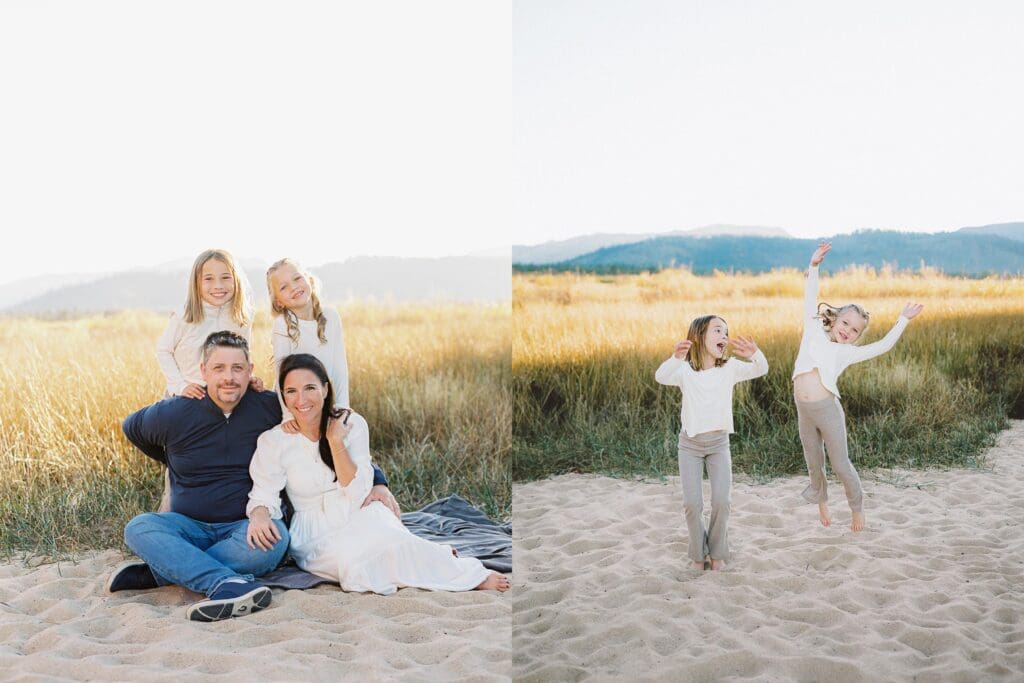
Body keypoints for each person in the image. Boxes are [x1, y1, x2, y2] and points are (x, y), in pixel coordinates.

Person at [108, 331, 399, 621]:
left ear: (250, 371)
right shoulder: (175, 412)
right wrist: (171, 459)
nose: (229, 378)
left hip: (246, 528)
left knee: (274, 542)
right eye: (219, 368)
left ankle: (168, 568)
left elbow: (321, 433)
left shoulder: (269, 406)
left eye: (237, 368)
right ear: (203, 372)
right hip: (188, 526)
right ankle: (223, 582)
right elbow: (130, 428)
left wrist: (377, 480)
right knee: (139, 527)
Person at [246, 353, 510, 594]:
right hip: (313, 531)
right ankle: (433, 557)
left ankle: (465, 574)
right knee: (353, 562)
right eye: (291, 391)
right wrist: (259, 514)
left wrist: (335, 441)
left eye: (310, 388)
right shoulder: (274, 441)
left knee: (390, 539)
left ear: (325, 389)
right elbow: (264, 492)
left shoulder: (351, 423)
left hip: (357, 509)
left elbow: (357, 490)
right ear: (283, 396)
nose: (301, 400)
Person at [793, 241, 924, 532]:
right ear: (835, 318)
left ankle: (857, 507)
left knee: (840, 464)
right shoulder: (813, 329)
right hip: (804, 409)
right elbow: (809, 295)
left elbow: (883, 346)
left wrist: (903, 319)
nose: (847, 331)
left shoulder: (847, 352)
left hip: (827, 410)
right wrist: (813, 266)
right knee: (814, 462)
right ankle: (821, 501)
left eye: (854, 331)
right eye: (846, 323)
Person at [655, 315, 768, 570]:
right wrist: (675, 357)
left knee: (722, 501)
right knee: (692, 504)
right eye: (718, 331)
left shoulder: (729, 368)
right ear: (699, 336)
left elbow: (761, 369)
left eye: (726, 332)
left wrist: (755, 353)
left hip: (718, 444)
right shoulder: (684, 370)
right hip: (690, 446)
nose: (725, 337)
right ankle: (698, 554)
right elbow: (660, 376)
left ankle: (717, 554)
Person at [153, 249, 262, 512]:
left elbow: (241, 356)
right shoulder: (186, 315)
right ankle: (168, 520)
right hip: (188, 398)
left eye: (225, 278)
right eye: (209, 279)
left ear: (236, 280)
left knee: (220, 464)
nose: (218, 286)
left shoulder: (240, 317)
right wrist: (180, 385)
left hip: (224, 403)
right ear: (197, 283)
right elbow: (163, 351)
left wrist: (248, 379)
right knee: (180, 471)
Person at [266, 259, 349, 433]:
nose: (294, 287)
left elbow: (340, 367)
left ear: (309, 280)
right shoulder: (283, 324)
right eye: (284, 287)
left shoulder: (331, 317)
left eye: (297, 279)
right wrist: (287, 414)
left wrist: (342, 406)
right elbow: (280, 371)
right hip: (293, 404)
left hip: (321, 399)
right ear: (279, 301)